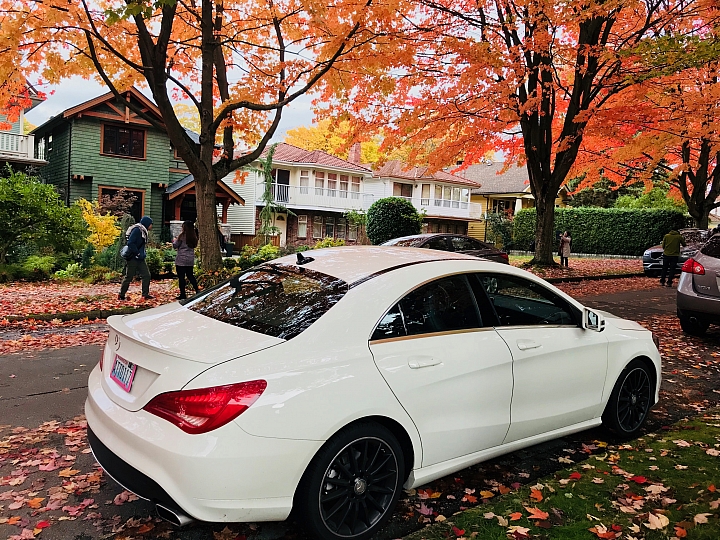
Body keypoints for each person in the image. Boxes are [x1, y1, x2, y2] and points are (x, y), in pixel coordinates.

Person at [119, 216, 153, 300]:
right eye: (151, 224)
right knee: (129, 277)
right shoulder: (137, 230)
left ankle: (145, 294)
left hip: (140, 258)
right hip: (133, 258)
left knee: (146, 275)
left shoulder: (143, 231)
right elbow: (131, 243)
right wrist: (137, 253)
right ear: (147, 224)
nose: (151, 226)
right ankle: (121, 294)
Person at [173, 220, 200, 300]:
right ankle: (197, 290)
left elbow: (175, 245)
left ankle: (183, 294)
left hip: (181, 259)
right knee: (190, 275)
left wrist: (174, 241)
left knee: (181, 277)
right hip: (190, 259)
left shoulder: (182, 236)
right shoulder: (194, 237)